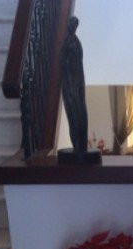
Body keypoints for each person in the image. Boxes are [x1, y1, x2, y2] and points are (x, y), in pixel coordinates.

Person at [60, 17, 88, 154]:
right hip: (73, 83)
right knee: (74, 114)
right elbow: (64, 62)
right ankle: (78, 143)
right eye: (70, 24)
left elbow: (65, 62)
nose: (71, 27)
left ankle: (79, 143)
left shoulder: (73, 42)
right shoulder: (72, 42)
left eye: (73, 25)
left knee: (77, 114)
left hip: (74, 83)